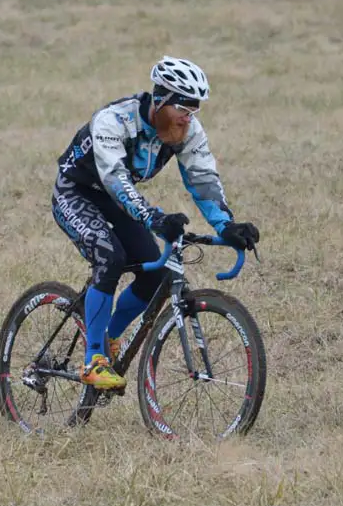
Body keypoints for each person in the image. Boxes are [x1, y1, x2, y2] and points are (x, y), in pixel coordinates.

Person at [51, 56, 260, 391]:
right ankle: (93, 359)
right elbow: (116, 179)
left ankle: (109, 338)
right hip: (77, 192)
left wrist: (226, 225)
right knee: (110, 256)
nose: (188, 116)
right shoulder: (114, 120)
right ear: (161, 99)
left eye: (195, 109)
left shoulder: (184, 129)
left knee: (155, 275)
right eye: (184, 106)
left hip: (117, 201)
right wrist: (154, 218)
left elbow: (202, 178)